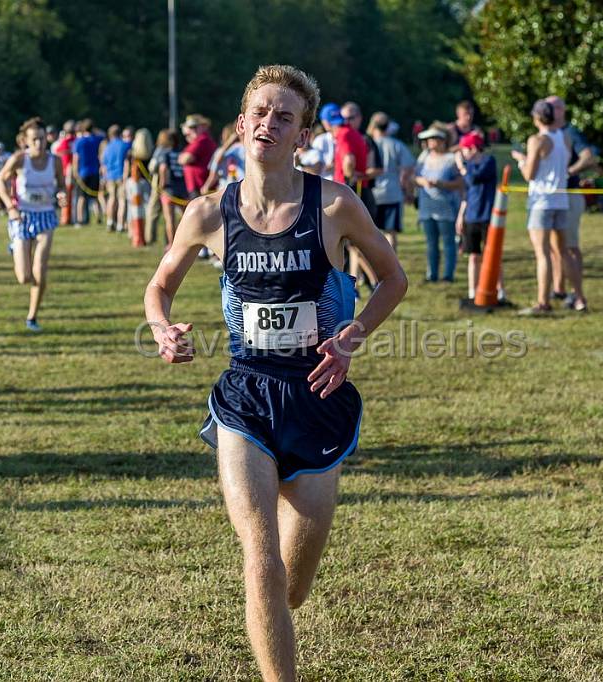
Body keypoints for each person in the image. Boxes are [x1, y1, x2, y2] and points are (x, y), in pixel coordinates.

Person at [143, 64, 406, 682]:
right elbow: (160, 285)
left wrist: (352, 336)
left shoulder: (334, 203)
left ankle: (273, 619)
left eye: (284, 116)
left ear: (303, 135)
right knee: (260, 561)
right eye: (259, 112)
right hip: (245, 398)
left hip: (318, 397)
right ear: (240, 126)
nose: (269, 123)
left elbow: (393, 279)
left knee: (291, 583)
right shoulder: (208, 213)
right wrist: (163, 327)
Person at [0, 117, 66, 332]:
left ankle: (32, 317)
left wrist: (61, 195)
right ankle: (15, 246)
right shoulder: (19, 159)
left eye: (42, 139)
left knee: (40, 271)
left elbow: (61, 184)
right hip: (22, 216)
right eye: (34, 140)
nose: (39, 144)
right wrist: (10, 206)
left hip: (45, 216)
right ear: (25, 141)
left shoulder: (55, 161)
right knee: (24, 276)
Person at [516, 99, 571, 316]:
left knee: (543, 253)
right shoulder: (564, 138)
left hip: (542, 202)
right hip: (561, 200)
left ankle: (542, 301)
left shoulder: (537, 140)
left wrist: (521, 160)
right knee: (561, 251)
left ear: (538, 117)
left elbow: (530, 174)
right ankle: (565, 291)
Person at [544, 95, 590, 311]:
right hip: (554, 197)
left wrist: (569, 171)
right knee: (555, 247)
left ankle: (576, 293)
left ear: (562, 110)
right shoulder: (548, 134)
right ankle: (559, 288)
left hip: (570, 195)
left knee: (570, 246)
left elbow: (589, 156)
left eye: (553, 107)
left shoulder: (569, 133)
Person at [341, 101, 383, 289]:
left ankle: (376, 281)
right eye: (344, 118)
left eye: (350, 118)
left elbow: (378, 168)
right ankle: (357, 284)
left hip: (361, 192)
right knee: (349, 245)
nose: (347, 122)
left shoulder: (365, 139)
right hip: (345, 191)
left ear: (359, 118)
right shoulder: (343, 135)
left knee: (357, 244)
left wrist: (359, 174)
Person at [414, 124, 462, 283]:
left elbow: (461, 183)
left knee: (448, 242)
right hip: (427, 207)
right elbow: (414, 177)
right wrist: (422, 181)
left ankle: (448, 275)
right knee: (431, 243)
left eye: (433, 139)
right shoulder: (424, 157)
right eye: (428, 139)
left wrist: (441, 184)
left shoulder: (451, 159)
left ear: (442, 140)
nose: (430, 142)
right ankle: (431, 274)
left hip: (446, 208)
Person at [455, 131, 498, 301]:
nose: (462, 154)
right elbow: (467, 192)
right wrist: (461, 215)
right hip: (471, 216)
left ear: (473, 148)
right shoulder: (469, 167)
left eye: (464, 149)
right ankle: (473, 291)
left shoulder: (488, 162)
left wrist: (461, 167)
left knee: (491, 256)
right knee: (473, 256)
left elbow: (473, 180)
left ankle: (498, 290)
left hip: (487, 216)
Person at [368, 111, 415, 252]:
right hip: (392, 192)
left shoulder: (368, 143)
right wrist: (406, 187)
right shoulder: (396, 144)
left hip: (372, 193)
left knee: (370, 233)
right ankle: (392, 265)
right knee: (391, 232)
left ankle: (371, 268)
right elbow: (408, 167)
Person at [149, 129, 188, 249]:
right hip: (182, 188)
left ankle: (172, 244)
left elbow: (163, 168)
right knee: (185, 218)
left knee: (169, 219)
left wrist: (161, 184)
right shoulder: (182, 151)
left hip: (169, 189)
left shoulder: (164, 153)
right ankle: (185, 242)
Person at [72, 119, 104, 225]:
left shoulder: (79, 141)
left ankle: (80, 219)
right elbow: (103, 134)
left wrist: (75, 172)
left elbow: (76, 158)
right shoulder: (96, 139)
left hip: (83, 172)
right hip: (95, 172)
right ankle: (98, 217)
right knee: (95, 197)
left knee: (81, 197)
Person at [102, 125, 133, 232]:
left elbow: (104, 165)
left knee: (111, 199)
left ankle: (110, 222)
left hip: (110, 176)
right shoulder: (125, 145)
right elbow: (127, 161)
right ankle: (120, 224)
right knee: (122, 201)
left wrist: (104, 178)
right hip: (121, 176)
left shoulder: (107, 147)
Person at [179, 114, 218, 199]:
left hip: (201, 186)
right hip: (199, 186)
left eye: (194, 127)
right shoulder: (198, 141)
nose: (192, 130)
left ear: (203, 127)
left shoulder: (202, 140)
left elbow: (184, 159)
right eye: (190, 127)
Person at [202, 123, 247, 194]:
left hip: (234, 188)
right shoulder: (230, 150)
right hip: (228, 188)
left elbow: (215, 167)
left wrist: (206, 186)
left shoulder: (243, 148)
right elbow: (217, 165)